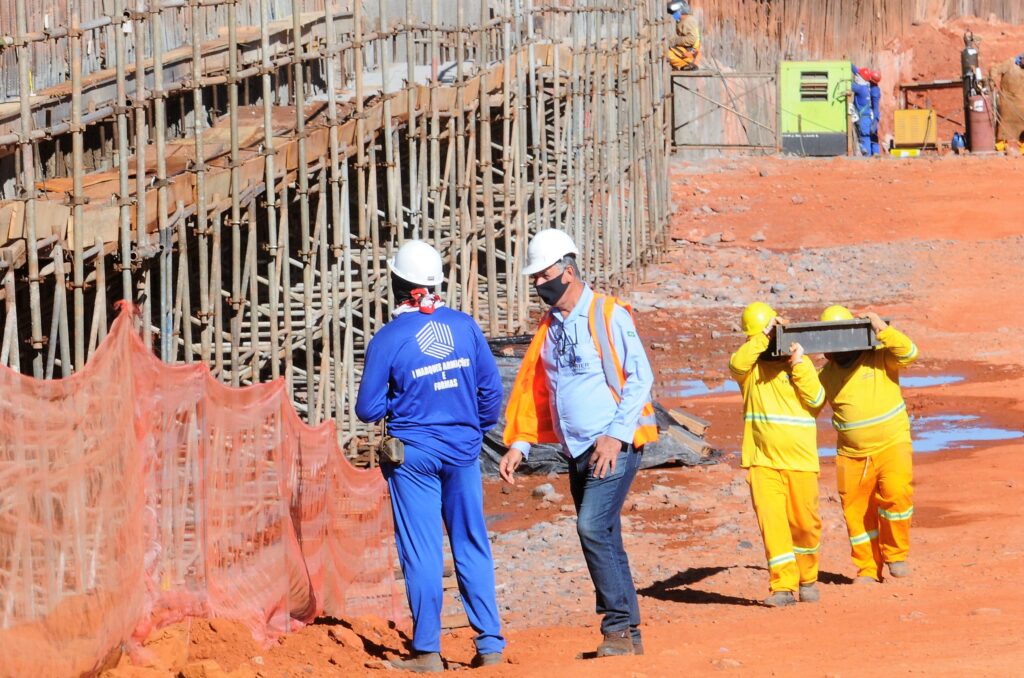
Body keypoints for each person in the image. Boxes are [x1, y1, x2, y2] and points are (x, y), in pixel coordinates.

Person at [498, 229, 657, 657]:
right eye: (533, 278)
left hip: (612, 445)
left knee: (590, 527)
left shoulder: (608, 314)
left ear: (567, 272)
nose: (537, 284)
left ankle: (617, 629)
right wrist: (522, 444)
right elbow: (537, 388)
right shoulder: (550, 326)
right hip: (577, 449)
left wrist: (615, 436)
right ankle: (630, 635)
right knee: (605, 533)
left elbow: (641, 379)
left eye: (543, 275)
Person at [355, 240, 505, 672]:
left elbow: (367, 409)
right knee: (471, 542)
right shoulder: (463, 326)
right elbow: (490, 392)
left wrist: (401, 402)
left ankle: (427, 651)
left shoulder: (389, 338)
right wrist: (472, 430)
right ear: (436, 282)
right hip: (462, 451)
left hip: (414, 456)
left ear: (396, 284)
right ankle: (490, 644)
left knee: (421, 551)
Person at [729, 302, 825, 607]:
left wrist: (800, 364)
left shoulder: (800, 365)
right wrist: (763, 336)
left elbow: (817, 399)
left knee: (805, 525)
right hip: (762, 462)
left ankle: (808, 578)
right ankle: (782, 587)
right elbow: (736, 364)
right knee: (773, 525)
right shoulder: (750, 371)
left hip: (800, 462)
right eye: (761, 338)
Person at [818, 305, 918, 584]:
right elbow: (808, 404)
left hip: (892, 444)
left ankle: (896, 555)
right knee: (856, 513)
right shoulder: (826, 376)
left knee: (897, 496)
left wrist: (883, 330)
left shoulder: (880, 356)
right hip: (851, 456)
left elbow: (910, 353)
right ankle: (867, 569)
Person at [990, 54, 1024, 150]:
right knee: (1004, 126)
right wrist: (992, 81)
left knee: (1022, 127)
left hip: (1022, 104)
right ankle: (1000, 147)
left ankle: (1022, 148)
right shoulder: (1010, 63)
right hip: (1007, 102)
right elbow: (994, 69)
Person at [667, 1, 701, 71]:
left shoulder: (689, 20)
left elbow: (692, 39)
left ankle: (686, 64)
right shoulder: (681, 21)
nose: (673, 14)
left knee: (666, 52)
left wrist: (674, 40)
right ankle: (683, 64)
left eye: (674, 12)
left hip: (690, 52)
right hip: (686, 49)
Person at [851, 65, 875, 156]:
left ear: (861, 78)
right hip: (866, 117)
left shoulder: (860, 88)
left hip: (863, 119)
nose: (856, 76)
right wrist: (850, 65)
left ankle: (867, 157)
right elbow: (858, 72)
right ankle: (867, 155)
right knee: (865, 138)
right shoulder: (866, 86)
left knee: (864, 138)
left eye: (858, 75)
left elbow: (847, 85)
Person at [869, 70, 882, 155]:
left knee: (872, 133)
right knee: (873, 133)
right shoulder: (876, 88)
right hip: (875, 113)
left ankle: (875, 152)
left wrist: (875, 120)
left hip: (874, 114)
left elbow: (875, 107)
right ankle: (875, 152)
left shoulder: (874, 91)